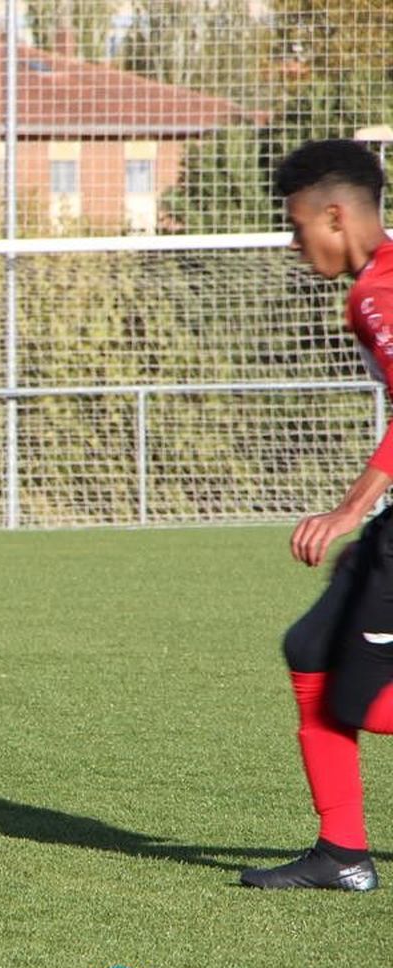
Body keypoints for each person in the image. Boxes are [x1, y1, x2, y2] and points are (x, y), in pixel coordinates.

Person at [242, 139, 393, 891]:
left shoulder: (380, 293)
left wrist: (346, 511)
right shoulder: (373, 286)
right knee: (309, 648)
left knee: (353, 694)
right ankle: (343, 852)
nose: (294, 243)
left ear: (336, 214)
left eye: (298, 226)